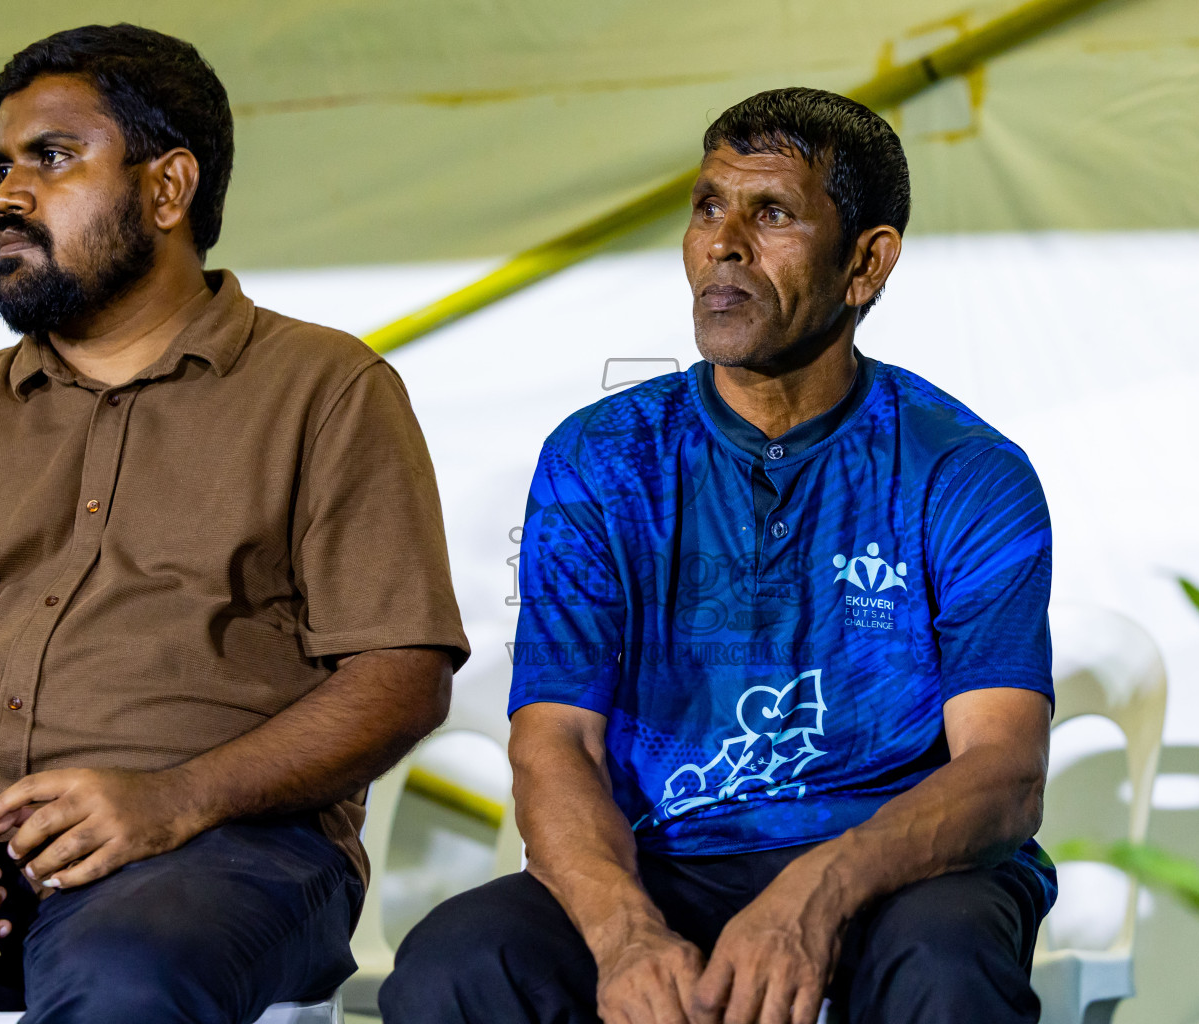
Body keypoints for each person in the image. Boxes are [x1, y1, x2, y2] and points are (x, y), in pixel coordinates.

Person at [384, 87, 1056, 1024]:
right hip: (663, 860)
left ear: (868, 261)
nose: (723, 243)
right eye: (708, 207)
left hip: (897, 865)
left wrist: (814, 895)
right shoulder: (600, 460)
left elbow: (1004, 774)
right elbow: (555, 741)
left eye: (770, 212)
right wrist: (625, 934)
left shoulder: (963, 470)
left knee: (944, 967)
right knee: (454, 969)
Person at [0, 24, 468, 1023]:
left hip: (224, 853)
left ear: (168, 190)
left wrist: (175, 799)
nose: (6, 196)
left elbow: (399, 675)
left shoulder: (325, 389)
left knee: (127, 975)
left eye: (53, 158)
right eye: (0, 166)